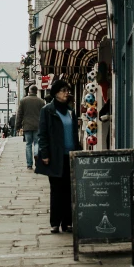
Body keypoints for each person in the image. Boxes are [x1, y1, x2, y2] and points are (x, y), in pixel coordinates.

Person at [36, 79, 80, 233]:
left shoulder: (70, 111)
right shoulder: (47, 110)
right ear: (55, 93)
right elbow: (43, 134)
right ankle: (55, 222)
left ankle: (67, 223)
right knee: (56, 190)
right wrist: (45, 154)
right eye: (63, 90)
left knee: (69, 189)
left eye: (67, 90)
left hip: (71, 155)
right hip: (55, 156)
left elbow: (75, 134)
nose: (66, 93)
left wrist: (79, 152)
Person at [16, 84, 45, 170]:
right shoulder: (41, 102)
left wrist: (17, 126)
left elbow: (19, 114)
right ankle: (36, 154)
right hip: (38, 126)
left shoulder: (23, 101)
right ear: (36, 92)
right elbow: (44, 115)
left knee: (28, 145)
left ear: (29, 91)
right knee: (37, 143)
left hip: (27, 126)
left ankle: (29, 164)